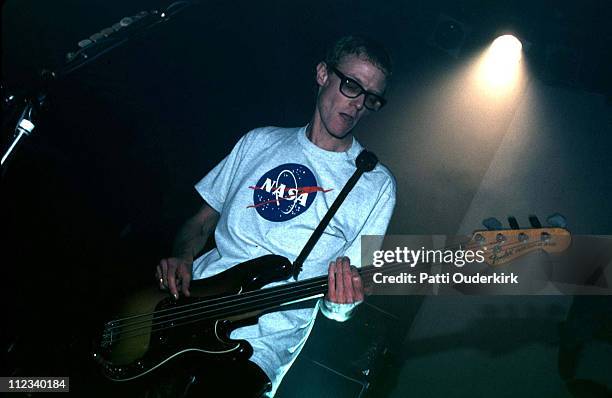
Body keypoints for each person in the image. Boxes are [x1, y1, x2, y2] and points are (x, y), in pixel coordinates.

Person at [155, 35, 396, 397]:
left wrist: (343, 305)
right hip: (184, 313)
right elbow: (201, 220)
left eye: (371, 98)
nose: (359, 104)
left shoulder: (375, 185)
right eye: (351, 86)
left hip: (255, 352)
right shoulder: (259, 141)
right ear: (322, 74)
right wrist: (183, 257)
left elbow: (346, 298)